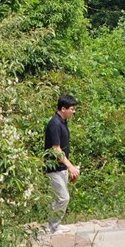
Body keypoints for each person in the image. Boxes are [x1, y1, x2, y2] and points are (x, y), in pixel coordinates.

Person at [44, 94, 80, 232]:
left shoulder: (63, 122)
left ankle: (55, 225)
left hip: (61, 167)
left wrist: (69, 166)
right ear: (63, 108)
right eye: (72, 109)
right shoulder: (55, 124)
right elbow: (56, 150)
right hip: (53, 168)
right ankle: (53, 227)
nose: (74, 111)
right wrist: (71, 167)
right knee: (63, 198)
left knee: (59, 198)